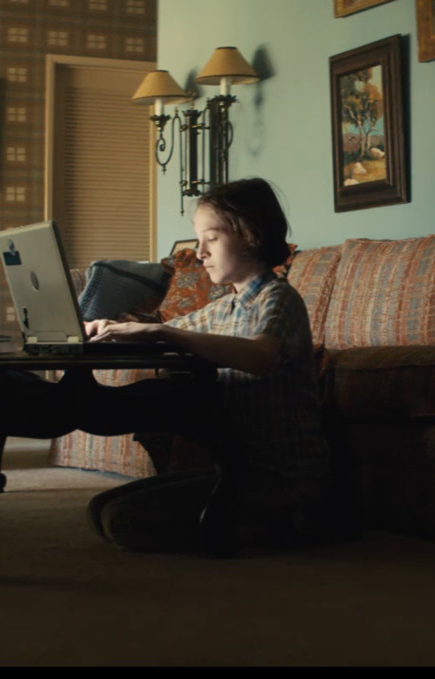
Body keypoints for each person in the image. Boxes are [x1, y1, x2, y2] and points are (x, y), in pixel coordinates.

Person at [82, 177, 335, 554]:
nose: (199, 252)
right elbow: (167, 329)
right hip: (237, 468)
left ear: (249, 235)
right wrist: (114, 327)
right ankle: (244, 524)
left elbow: (261, 356)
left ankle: (289, 523)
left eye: (211, 239)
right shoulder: (224, 307)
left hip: (282, 477)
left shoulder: (278, 297)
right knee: (99, 509)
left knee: (123, 521)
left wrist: (169, 336)